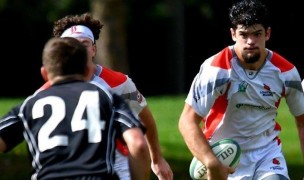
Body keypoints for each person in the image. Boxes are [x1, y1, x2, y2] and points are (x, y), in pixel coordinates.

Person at [0, 13, 173, 180]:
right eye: (72, 44)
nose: (78, 49)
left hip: (114, 159)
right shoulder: (106, 99)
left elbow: (144, 117)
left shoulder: (118, 83)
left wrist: (157, 159)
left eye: (84, 43)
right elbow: (138, 143)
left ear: (93, 49)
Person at [178, 0, 304, 179]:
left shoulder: (286, 73)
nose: (250, 41)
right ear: (233, 34)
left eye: (257, 34)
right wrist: (211, 161)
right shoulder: (217, 69)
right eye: (244, 34)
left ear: (267, 33)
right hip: (224, 155)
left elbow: (302, 121)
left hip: (267, 155)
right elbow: (187, 121)